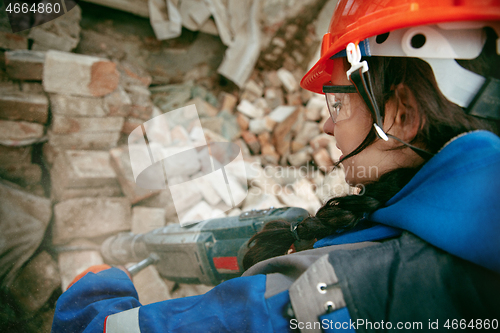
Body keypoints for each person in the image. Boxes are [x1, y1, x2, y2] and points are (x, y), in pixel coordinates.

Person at [52, 1, 500, 332]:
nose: (326, 125)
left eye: (337, 104)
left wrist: (94, 290)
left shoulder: (347, 288)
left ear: (401, 115)